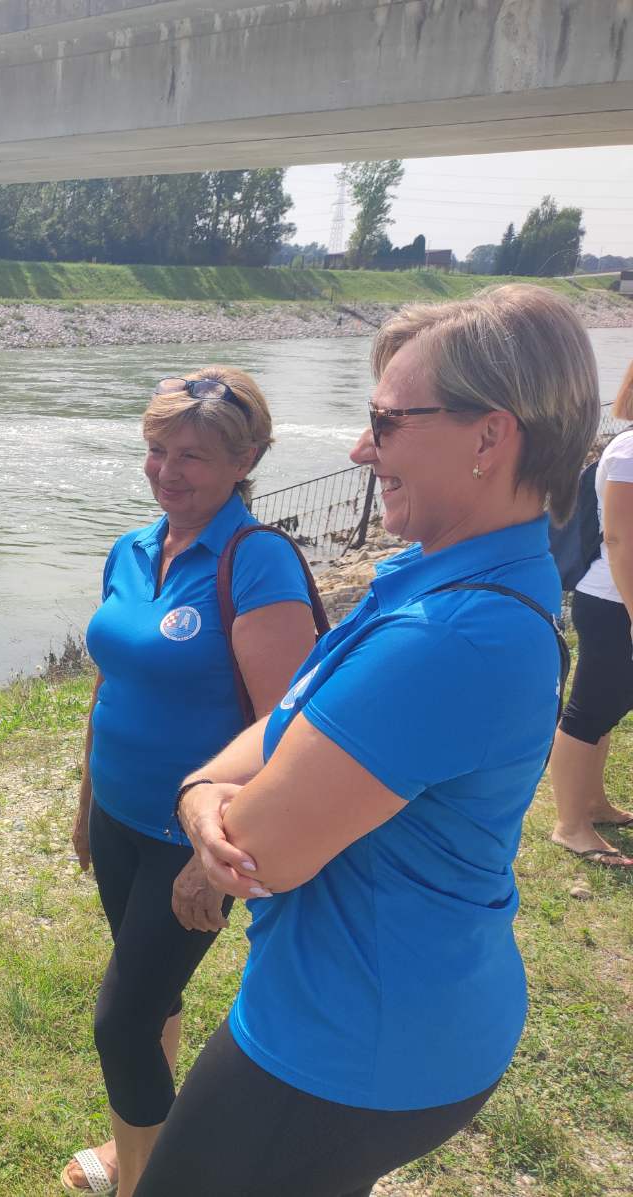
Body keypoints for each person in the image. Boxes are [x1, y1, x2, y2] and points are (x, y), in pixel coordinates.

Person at [162, 284, 598, 1197]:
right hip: (387, 1011)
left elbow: (263, 847)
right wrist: (204, 792)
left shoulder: (449, 637)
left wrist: (210, 811)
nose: (362, 449)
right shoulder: (439, 577)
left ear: (491, 437)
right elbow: (291, 724)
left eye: (386, 422)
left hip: (348, 1042)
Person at [62, 368, 320, 1196]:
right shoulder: (133, 548)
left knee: (122, 1019)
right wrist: (86, 798)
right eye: (156, 450)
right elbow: (111, 683)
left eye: (193, 457)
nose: (167, 470)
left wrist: (213, 855)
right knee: (154, 1000)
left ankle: (146, 1180)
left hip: (195, 837)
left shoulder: (257, 561)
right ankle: (136, 1144)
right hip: (119, 816)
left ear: (245, 459)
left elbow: (290, 732)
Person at [546, 357, 633, 870]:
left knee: (610, 704)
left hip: (620, 599)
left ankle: (592, 803)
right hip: (611, 600)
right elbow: (620, 540)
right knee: (589, 709)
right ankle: (569, 825)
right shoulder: (627, 452)